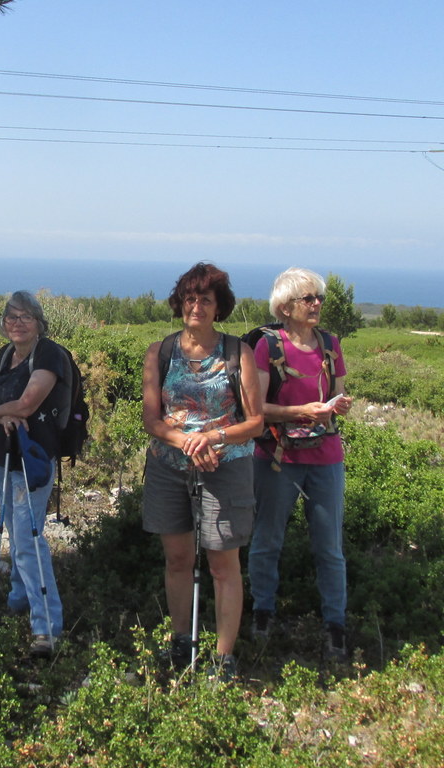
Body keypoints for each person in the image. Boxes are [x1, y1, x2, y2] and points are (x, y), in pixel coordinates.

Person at [142, 262, 263, 680]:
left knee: (222, 563)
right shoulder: (161, 351)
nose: (196, 306)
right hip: (169, 466)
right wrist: (187, 443)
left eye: (205, 300)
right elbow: (152, 419)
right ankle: (180, 643)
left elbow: (255, 422)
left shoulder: (237, 352)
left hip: (226, 466)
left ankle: (223, 658)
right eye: (190, 298)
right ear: (180, 303)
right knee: (176, 559)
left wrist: (210, 440)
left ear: (218, 307)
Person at [247, 267, 353, 661]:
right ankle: (262, 613)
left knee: (330, 547)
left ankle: (335, 625)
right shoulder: (268, 348)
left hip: (325, 457)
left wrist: (336, 406)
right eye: (308, 299)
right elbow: (255, 408)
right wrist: (300, 411)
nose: (317, 304)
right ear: (286, 307)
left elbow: (339, 396)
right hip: (278, 457)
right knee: (267, 540)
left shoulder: (330, 344)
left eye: (318, 297)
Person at [0, 291, 67, 657]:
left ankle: (47, 627)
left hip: (32, 458)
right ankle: (20, 595)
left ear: (39, 323)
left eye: (25, 317)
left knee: (28, 536)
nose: (17, 323)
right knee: (15, 527)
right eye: (11, 317)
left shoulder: (49, 354)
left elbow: (28, 403)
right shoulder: (5, 355)